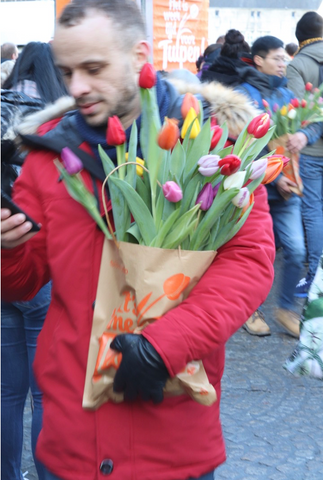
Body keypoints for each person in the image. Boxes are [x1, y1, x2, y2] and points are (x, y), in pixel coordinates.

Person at [1, 2, 275, 479]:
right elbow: (23, 283)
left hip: (168, 429)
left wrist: (164, 346)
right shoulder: (49, 155)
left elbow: (248, 263)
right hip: (71, 436)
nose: (77, 87)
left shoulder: (213, 140)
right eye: (66, 71)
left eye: (93, 68)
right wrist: (8, 248)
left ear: (140, 55)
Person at [1, 41, 68, 480]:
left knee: (6, 391)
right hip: (43, 256)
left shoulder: (2, 106)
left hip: (4, 250)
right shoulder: (59, 115)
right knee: (46, 392)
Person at [236, 35, 322, 338]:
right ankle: (251, 310)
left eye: (284, 59)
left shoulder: (287, 96)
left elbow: (315, 120)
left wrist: (305, 136)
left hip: (289, 190)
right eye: (277, 58)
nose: (283, 64)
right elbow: (243, 144)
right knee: (258, 256)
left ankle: (286, 308)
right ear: (258, 60)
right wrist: (274, 176)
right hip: (256, 190)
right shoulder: (242, 96)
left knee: (296, 252)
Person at [286, 11, 323, 298]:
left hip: (310, 147)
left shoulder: (297, 63)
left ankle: (315, 275)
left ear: (300, 37)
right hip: (311, 144)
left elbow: (297, 110)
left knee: (313, 211)